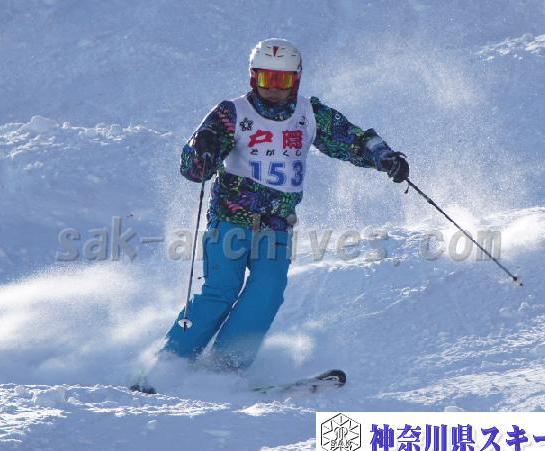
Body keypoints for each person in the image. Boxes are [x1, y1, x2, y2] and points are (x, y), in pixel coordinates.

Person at [162, 38, 409, 370]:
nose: (274, 89)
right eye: (267, 79)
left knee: (268, 293)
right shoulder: (232, 113)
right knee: (222, 290)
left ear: (297, 79)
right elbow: (194, 169)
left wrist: (383, 155)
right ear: (254, 77)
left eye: (283, 80)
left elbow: (352, 139)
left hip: (276, 225)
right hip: (231, 222)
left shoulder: (309, 114)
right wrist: (202, 150)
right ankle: (170, 362)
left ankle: (225, 366)